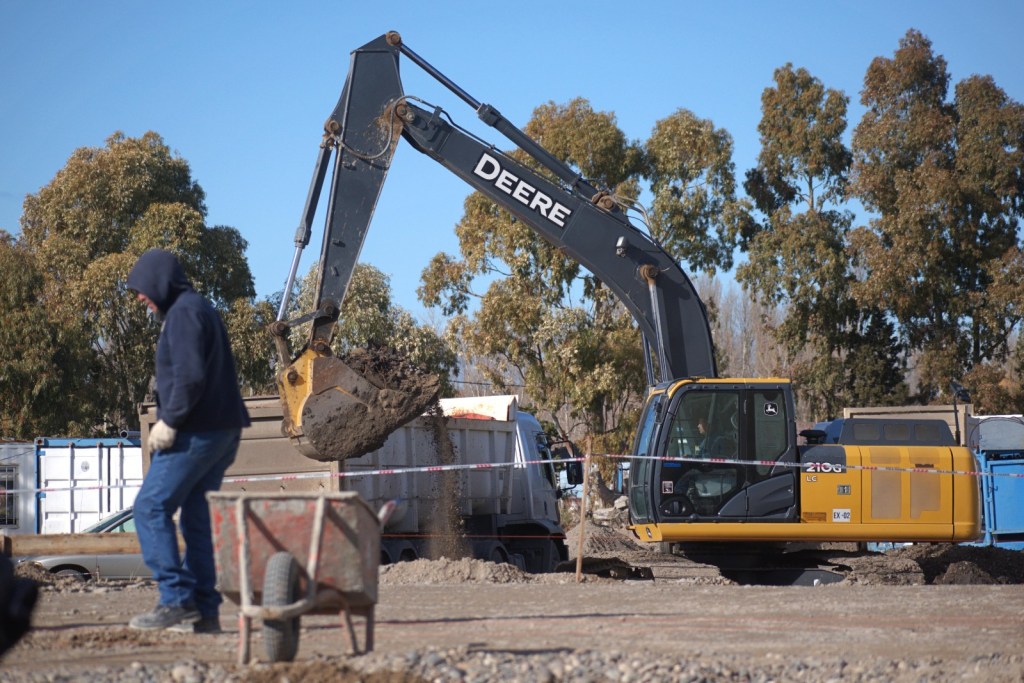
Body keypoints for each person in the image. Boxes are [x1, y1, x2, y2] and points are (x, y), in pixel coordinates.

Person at [126, 249, 250, 633]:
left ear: (160, 284)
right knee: (196, 521)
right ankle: (205, 611)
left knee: (149, 508)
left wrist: (169, 422)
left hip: (198, 431)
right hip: (222, 430)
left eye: (142, 290)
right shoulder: (199, 309)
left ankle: (175, 600)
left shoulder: (183, 314)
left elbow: (191, 378)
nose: (141, 299)